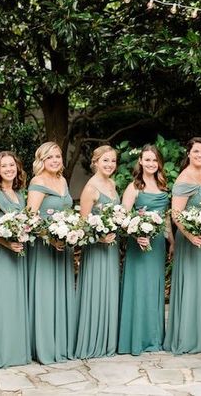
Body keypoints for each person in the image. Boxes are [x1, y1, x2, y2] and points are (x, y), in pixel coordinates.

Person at [165, 138, 201, 354]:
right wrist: (191, 236)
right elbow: (177, 214)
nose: (200, 155)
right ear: (188, 153)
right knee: (195, 286)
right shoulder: (184, 179)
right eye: (196, 151)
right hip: (194, 241)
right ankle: (192, 337)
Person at [118, 144, 173, 355]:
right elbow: (123, 217)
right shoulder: (134, 187)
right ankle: (135, 339)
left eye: (154, 160)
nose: (151, 163)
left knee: (154, 287)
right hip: (138, 243)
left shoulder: (163, 185)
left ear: (159, 162)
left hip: (157, 243)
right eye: (147, 159)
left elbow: (166, 216)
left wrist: (172, 241)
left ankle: (153, 337)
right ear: (140, 161)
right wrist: (137, 234)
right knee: (139, 287)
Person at [26, 141, 77, 364]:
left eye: (58, 156)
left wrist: (69, 232)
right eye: (50, 157)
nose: (55, 160)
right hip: (45, 247)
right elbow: (30, 216)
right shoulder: (37, 182)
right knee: (45, 294)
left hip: (63, 246)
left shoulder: (62, 180)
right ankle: (44, 346)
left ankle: (61, 343)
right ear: (42, 161)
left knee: (61, 293)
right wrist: (49, 237)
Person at [0, 151, 31, 368]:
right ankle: (0, 353)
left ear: (17, 168)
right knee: (2, 304)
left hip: (18, 255)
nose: (9, 169)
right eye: (4, 166)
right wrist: (6, 243)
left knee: (15, 303)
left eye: (12, 165)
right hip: (1, 255)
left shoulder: (19, 194)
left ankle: (15, 352)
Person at [75, 145, 121, 359]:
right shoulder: (90, 188)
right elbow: (83, 224)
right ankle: (93, 341)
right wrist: (100, 237)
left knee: (109, 290)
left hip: (111, 247)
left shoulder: (111, 184)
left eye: (112, 161)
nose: (110, 164)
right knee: (96, 290)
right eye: (105, 161)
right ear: (95, 163)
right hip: (96, 248)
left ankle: (107, 341)